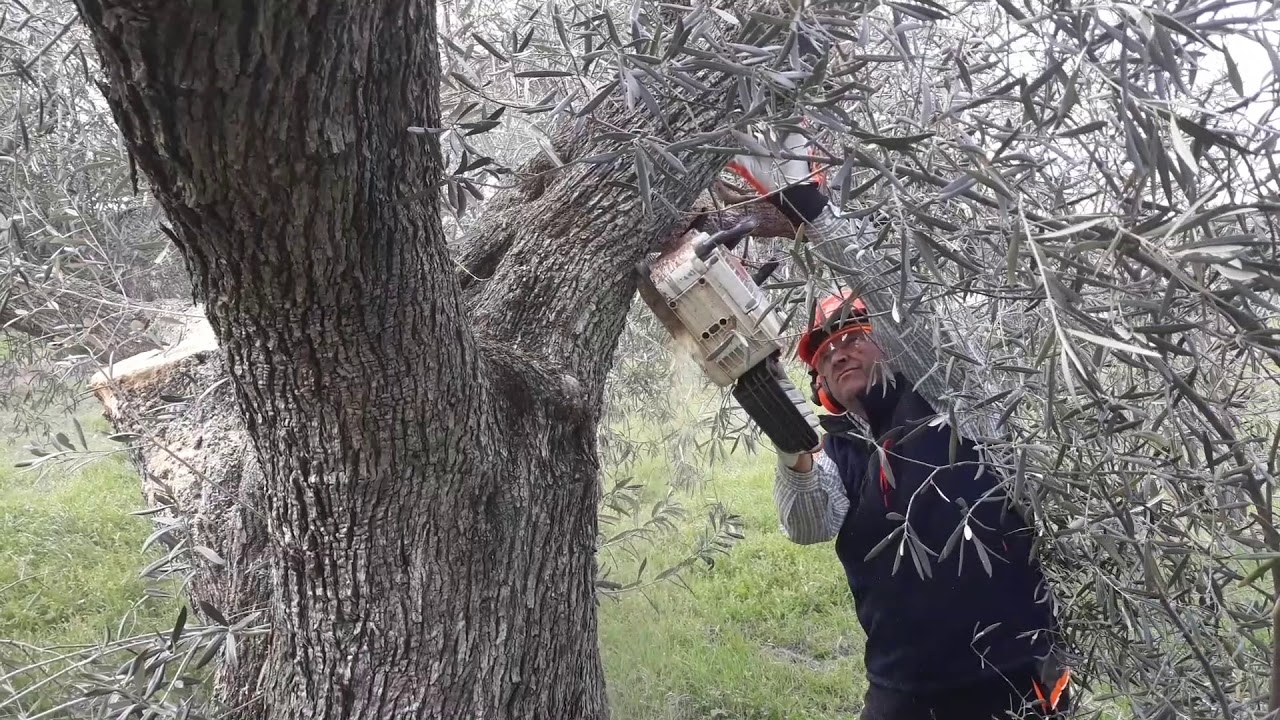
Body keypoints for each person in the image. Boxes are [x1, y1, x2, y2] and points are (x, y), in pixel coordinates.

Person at [727, 131, 1074, 720]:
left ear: (890, 342)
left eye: (853, 336)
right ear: (820, 381)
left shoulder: (955, 399)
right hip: (901, 697)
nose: (838, 352)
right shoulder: (836, 453)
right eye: (825, 352)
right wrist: (790, 440)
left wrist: (816, 215)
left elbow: (906, 302)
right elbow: (808, 524)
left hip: (1016, 690)